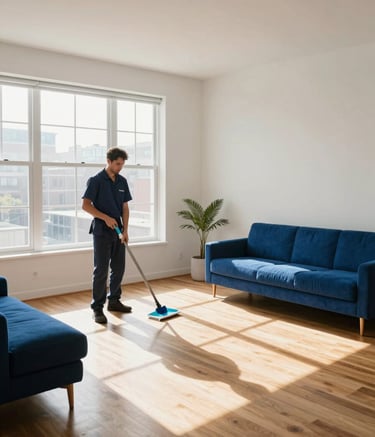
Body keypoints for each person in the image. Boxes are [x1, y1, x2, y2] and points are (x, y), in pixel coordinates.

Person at [82, 147, 132, 324]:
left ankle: (114, 301)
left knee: (119, 268)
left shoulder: (122, 182)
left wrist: (125, 230)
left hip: (118, 231)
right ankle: (97, 308)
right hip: (101, 231)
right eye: (118, 164)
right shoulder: (96, 181)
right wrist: (105, 217)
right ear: (109, 161)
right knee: (101, 270)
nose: (120, 167)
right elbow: (86, 206)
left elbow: (125, 207)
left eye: (122, 164)